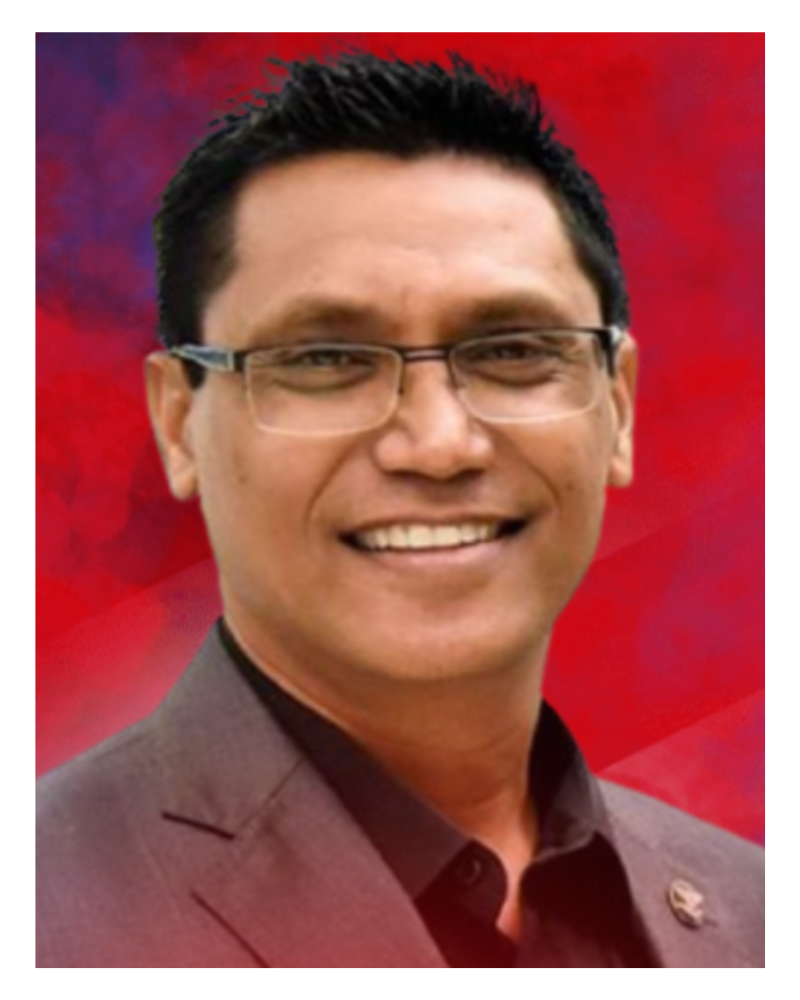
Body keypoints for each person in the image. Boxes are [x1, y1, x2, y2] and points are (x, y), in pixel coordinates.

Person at [36, 51, 764, 968]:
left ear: (616, 406)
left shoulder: (758, 914)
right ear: (179, 423)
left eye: (513, 350)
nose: (439, 444)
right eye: (325, 360)